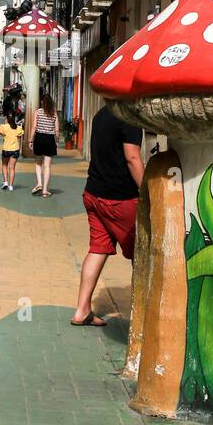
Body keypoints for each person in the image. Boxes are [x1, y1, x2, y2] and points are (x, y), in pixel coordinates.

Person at [72, 103, 144, 327]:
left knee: (97, 248)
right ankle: (142, 317)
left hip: (93, 194)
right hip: (120, 200)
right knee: (141, 256)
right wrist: (147, 193)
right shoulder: (129, 116)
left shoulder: (102, 114)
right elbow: (132, 158)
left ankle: (81, 310)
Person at [29, 92, 60, 198]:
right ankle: (45, 191)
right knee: (47, 166)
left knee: (38, 164)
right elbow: (57, 130)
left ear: (42, 102)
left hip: (39, 138)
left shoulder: (37, 112)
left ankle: (39, 184)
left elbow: (34, 127)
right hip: (50, 139)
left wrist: (30, 140)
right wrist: (57, 141)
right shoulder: (54, 113)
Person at [0, 112, 24, 191]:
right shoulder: (18, 128)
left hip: (6, 150)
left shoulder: (3, 127)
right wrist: (20, 149)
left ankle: (5, 182)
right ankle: (11, 186)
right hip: (15, 150)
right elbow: (20, 140)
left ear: (7, 119)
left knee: (4, 165)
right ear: (14, 118)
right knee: (12, 168)